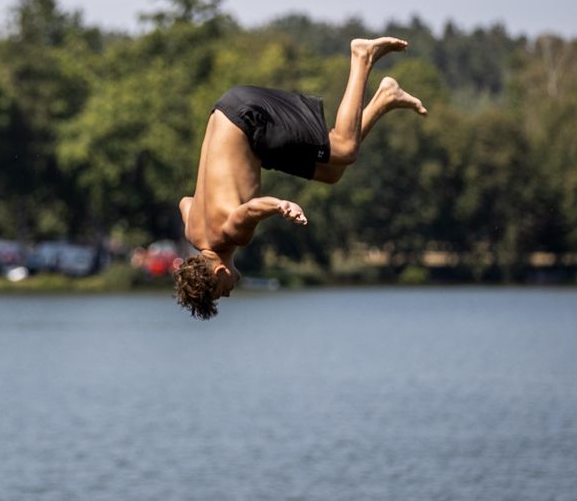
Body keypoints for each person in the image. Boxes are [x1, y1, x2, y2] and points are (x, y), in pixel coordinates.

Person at [175, 37, 427, 319]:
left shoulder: (232, 236)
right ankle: (385, 98)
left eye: (221, 293)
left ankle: (362, 56)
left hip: (249, 118)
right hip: (238, 125)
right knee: (331, 172)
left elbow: (249, 210)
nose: (229, 293)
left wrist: (281, 206)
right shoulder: (193, 231)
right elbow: (185, 202)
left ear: (220, 271)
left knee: (344, 148)